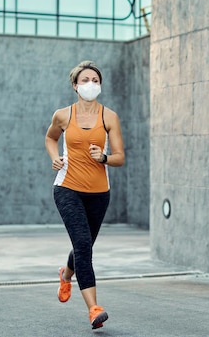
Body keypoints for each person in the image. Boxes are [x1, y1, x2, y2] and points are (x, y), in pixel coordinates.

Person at [45, 60, 125, 330]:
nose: (91, 84)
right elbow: (50, 138)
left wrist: (103, 157)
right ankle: (94, 308)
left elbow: (120, 157)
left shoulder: (109, 117)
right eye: (85, 80)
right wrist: (55, 157)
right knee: (83, 247)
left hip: (100, 193)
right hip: (67, 188)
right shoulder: (63, 115)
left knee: (85, 246)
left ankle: (66, 275)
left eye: (95, 80)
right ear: (75, 86)